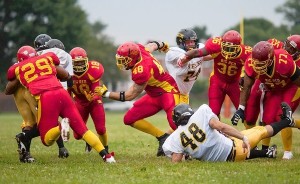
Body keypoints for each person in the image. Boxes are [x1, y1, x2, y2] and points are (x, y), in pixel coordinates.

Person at [5, 46, 116, 163]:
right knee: (84, 130)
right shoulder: (47, 58)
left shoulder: (17, 67)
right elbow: (66, 75)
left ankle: (61, 127)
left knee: (46, 139)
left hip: (46, 97)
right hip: (62, 93)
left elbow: (8, 89)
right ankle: (106, 156)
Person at [95, 41, 180, 156]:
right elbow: (152, 45)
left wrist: (106, 93)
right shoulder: (140, 50)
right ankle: (162, 137)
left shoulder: (141, 69)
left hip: (168, 92)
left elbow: (130, 96)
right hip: (154, 95)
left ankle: (191, 148)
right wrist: (161, 44)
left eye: (124, 60)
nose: (121, 62)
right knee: (129, 118)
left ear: (133, 58)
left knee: (175, 124)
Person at [162, 102, 299, 162]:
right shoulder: (201, 112)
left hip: (225, 160)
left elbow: (177, 160)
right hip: (235, 149)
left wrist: (188, 155)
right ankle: (287, 121)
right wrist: (242, 137)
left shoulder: (173, 139)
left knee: (252, 132)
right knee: (260, 130)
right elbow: (221, 127)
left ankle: (267, 153)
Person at [231, 40, 300, 160]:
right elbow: (247, 86)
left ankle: (288, 152)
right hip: (273, 88)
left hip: (290, 87)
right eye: (256, 62)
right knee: (267, 119)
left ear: (271, 59)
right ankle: (264, 149)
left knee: (283, 117)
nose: (257, 65)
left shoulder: (284, 61)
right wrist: (241, 108)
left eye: (261, 62)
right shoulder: (251, 63)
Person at [177, 30, 252, 118]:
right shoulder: (215, 44)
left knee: (246, 114)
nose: (228, 51)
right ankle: (217, 131)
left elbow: (251, 71)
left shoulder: (247, 53)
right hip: (217, 81)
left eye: (231, 49)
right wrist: (184, 56)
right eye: (226, 47)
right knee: (213, 114)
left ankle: (250, 131)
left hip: (234, 83)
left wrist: (243, 76)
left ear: (238, 47)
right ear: (222, 43)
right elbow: (197, 52)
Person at [68, 47, 109, 153]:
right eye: (76, 63)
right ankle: (89, 140)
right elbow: (67, 94)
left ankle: (106, 148)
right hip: (80, 103)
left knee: (101, 129)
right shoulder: (67, 73)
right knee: (77, 135)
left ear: (86, 61)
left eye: (81, 62)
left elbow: (96, 88)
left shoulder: (93, 70)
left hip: (94, 102)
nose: (79, 65)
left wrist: (94, 97)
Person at [165, 29, 212, 104]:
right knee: (176, 114)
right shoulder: (175, 53)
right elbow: (183, 60)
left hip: (185, 94)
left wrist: (218, 49)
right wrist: (196, 53)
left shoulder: (198, 49)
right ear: (181, 43)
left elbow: (210, 56)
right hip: (173, 92)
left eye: (192, 41)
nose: (191, 44)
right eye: (188, 42)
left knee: (186, 115)